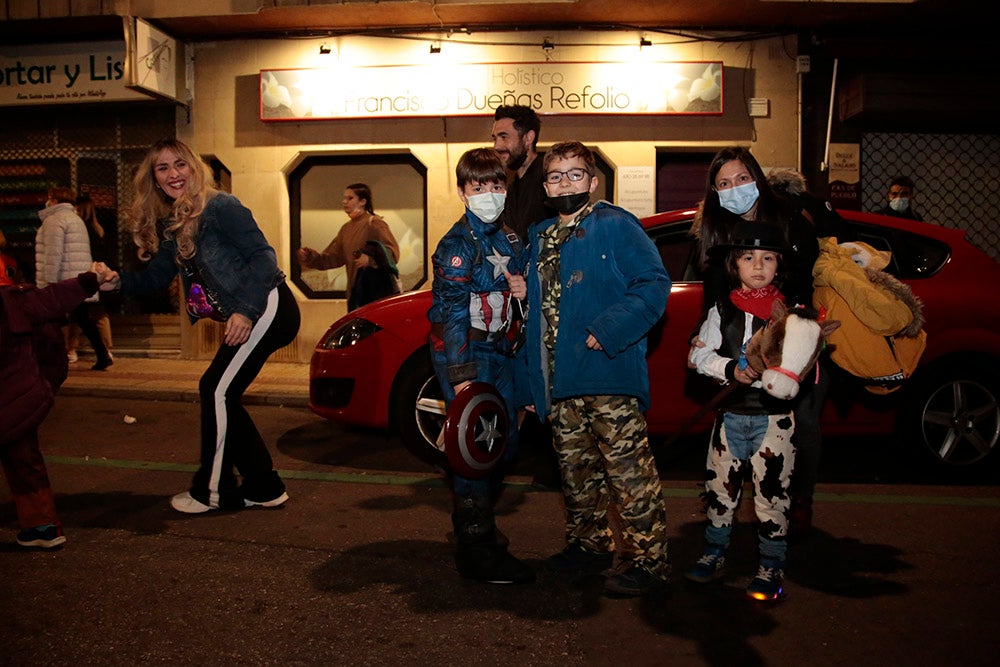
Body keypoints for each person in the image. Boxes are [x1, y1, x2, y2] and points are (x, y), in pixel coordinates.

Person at [99, 139, 300, 514]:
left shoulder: (221, 206)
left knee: (216, 390)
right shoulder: (174, 222)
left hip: (266, 305)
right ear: (154, 179)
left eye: (180, 164)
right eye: (163, 168)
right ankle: (264, 486)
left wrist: (244, 311)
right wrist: (118, 282)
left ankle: (214, 492)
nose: (173, 174)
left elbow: (263, 257)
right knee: (219, 391)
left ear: (194, 168)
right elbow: (157, 278)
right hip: (251, 311)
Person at [519, 141, 672, 597]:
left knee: (628, 474)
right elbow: (539, 314)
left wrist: (608, 329)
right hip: (560, 378)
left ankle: (650, 561)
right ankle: (589, 546)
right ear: (545, 185)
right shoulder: (542, 235)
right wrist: (534, 382)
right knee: (576, 472)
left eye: (575, 174)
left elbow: (653, 284)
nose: (566, 182)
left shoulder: (615, 225)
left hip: (606, 372)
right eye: (556, 176)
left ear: (592, 180)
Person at [689, 149, 821, 538]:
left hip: (791, 335)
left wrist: (790, 326)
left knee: (802, 423)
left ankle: (797, 501)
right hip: (738, 340)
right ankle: (721, 496)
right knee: (731, 427)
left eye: (742, 179)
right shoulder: (715, 233)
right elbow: (712, 294)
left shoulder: (790, 219)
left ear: (757, 178)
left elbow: (807, 277)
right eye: (724, 184)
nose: (735, 190)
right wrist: (703, 332)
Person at [427, 147, 533, 585]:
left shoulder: (507, 236)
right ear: (462, 190)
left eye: (496, 184)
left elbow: (521, 291)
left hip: (500, 350)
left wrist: (523, 288)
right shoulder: (456, 245)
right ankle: (476, 547)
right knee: (474, 446)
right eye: (478, 185)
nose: (488, 193)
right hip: (467, 350)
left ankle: (480, 526)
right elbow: (451, 313)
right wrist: (462, 375)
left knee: (500, 443)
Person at [684, 219, 797, 602]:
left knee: (772, 493)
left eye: (768, 258)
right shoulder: (722, 310)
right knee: (721, 489)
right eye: (749, 257)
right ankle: (715, 551)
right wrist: (731, 368)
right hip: (730, 415)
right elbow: (698, 355)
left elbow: (805, 362)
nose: (759, 265)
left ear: (779, 265)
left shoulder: (792, 317)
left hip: (774, 421)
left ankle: (771, 562)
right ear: (735, 265)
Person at [1, 267, 110, 548]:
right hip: (16, 399)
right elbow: (52, 299)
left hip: (13, 397)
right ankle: (43, 527)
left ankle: (42, 526)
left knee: (23, 460)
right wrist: (89, 281)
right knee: (25, 461)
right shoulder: (13, 301)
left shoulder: (11, 301)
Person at [35, 186, 114, 371]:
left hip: (63, 282)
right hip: (76, 281)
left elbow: (53, 254)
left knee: (53, 320)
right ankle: (102, 355)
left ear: (53, 200)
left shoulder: (54, 220)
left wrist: (49, 284)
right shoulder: (75, 219)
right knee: (83, 319)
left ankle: (52, 357)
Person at [297, 183, 401, 310]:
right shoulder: (346, 229)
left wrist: (370, 260)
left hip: (376, 296)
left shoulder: (374, 224)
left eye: (350, 198)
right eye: (344, 198)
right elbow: (333, 257)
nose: (344, 202)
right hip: (355, 296)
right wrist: (310, 257)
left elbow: (393, 253)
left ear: (363, 201)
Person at [65, 195, 114, 364]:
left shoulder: (79, 227)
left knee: (78, 315)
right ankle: (106, 349)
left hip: (87, 275)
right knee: (99, 315)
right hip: (100, 274)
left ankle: (71, 349)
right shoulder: (98, 227)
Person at [491, 105, 548, 243]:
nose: (497, 146)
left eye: (504, 137)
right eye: (495, 138)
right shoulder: (510, 186)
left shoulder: (550, 179)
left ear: (528, 138)